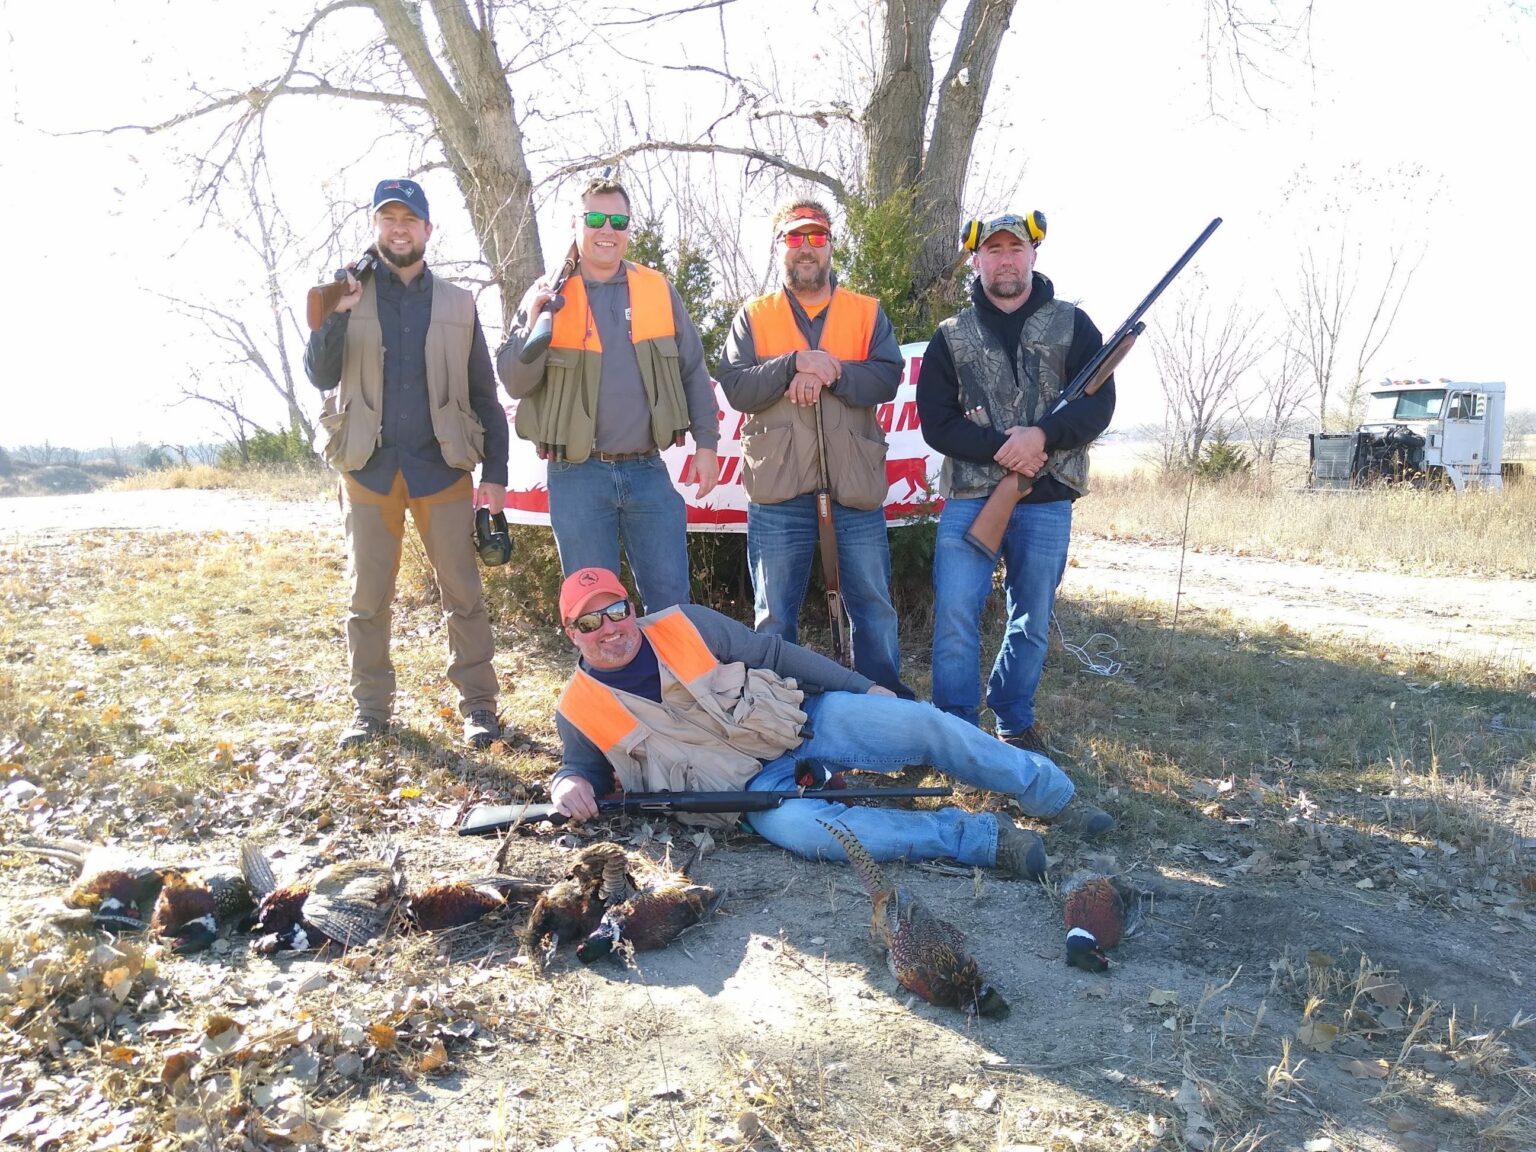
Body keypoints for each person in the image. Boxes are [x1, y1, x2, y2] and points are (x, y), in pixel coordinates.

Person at [547, 566, 1115, 876]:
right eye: (590, 621)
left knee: (922, 723)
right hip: (753, 794)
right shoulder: (577, 707)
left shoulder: (683, 623)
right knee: (822, 835)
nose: (610, 627)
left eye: (616, 610)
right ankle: (980, 841)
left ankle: (1051, 795)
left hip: (803, 721)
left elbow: (777, 656)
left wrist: (862, 687)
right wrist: (568, 783)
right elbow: (582, 770)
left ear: (630, 606)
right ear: (573, 632)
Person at [305, 178, 509, 752]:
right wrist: (339, 313)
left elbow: (483, 394)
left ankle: (479, 708)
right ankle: (370, 710)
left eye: (409, 219)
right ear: (376, 228)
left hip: (442, 466)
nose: (399, 228)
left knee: (463, 595)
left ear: (427, 229)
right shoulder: (343, 292)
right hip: (366, 467)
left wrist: (496, 475)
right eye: (387, 219)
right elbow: (320, 374)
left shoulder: (458, 302)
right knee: (367, 598)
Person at [917, 213, 1116, 755]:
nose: (1005, 259)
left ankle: (1012, 719)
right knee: (957, 608)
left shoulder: (1074, 325)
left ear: (1033, 255)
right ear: (977, 260)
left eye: (1015, 249)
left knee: (1032, 613)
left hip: (1048, 498)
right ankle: (956, 727)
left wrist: (1043, 437)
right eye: (993, 250)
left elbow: (1099, 407)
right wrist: (1006, 447)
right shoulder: (950, 336)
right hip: (970, 497)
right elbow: (936, 421)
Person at [716, 198, 913, 697]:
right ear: (780, 247)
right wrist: (793, 365)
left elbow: (889, 377)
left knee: (872, 604)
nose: (806, 248)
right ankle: (776, 715)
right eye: (795, 238)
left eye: (817, 237)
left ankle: (884, 710)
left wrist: (834, 370)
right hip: (779, 489)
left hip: (854, 484)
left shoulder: (866, 312)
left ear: (829, 246)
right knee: (774, 614)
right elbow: (737, 386)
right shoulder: (753, 315)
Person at [497, 176, 720, 614]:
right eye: (595, 218)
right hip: (576, 477)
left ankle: (673, 683)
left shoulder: (657, 288)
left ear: (628, 229)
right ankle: (605, 685)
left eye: (618, 220)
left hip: (647, 473)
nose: (607, 230)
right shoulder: (548, 294)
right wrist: (532, 321)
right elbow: (514, 382)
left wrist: (707, 445)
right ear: (575, 223)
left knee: (672, 606)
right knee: (592, 611)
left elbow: (694, 369)